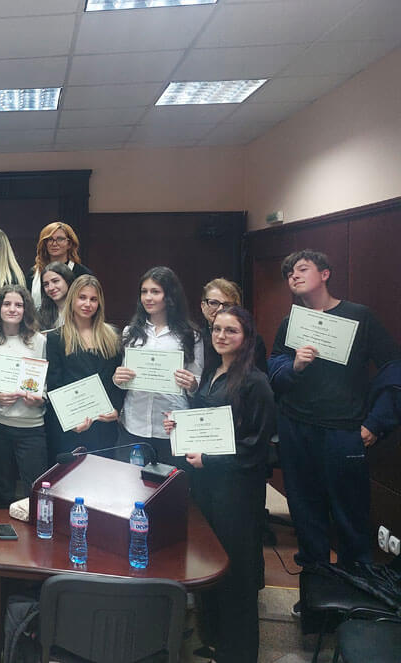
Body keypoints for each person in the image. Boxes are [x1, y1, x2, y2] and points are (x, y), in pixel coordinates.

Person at [269, 250, 400, 571]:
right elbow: (274, 367)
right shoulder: (291, 322)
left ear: (325, 274)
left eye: (302, 269)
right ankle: (316, 585)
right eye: (289, 273)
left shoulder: (359, 316)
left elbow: (393, 367)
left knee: (350, 515)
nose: (294, 276)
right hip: (296, 427)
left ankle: (354, 588)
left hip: (343, 432)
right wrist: (294, 366)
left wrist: (377, 422)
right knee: (304, 511)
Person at [164, 306, 275, 663]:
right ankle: (213, 640)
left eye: (231, 330)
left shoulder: (256, 382)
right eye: (216, 329)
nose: (222, 336)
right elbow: (203, 424)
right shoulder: (212, 373)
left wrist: (210, 459)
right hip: (207, 488)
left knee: (236, 571)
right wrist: (178, 426)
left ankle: (237, 653)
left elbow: (257, 448)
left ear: (247, 337)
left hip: (237, 493)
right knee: (208, 561)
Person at [112, 266, 203, 463]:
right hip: (134, 423)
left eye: (155, 292)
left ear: (170, 295)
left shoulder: (190, 335)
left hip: (171, 424)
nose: (148, 298)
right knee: (132, 479)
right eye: (144, 292)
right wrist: (118, 379)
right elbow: (124, 379)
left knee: (170, 480)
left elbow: (197, 382)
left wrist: (192, 384)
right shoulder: (130, 332)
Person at [0, 285, 47, 509]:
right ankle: (3, 528)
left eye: (19, 305)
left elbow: (47, 381)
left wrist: (40, 397)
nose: (12, 309)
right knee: (3, 489)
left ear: (26, 309)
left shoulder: (39, 340)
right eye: (7, 304)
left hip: (31, 425)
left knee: (35, 487)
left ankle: (33, 529)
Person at [46, 275, 124, 463]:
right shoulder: (56, 338)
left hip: (105, 425)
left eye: (93, 299)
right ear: (72, 299)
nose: (87, 304)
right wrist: (70, 420)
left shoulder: (113, 335)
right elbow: (54, 385)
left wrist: (117, 409)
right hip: (73, 427)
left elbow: (118, 380)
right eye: (82, 297)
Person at [200, 278, 266, 373]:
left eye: (227, 305)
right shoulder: (195, 338)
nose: (220, 309)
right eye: (213, 303)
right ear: (203, 306)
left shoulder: (253, 340)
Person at [27, 222, 92, 307]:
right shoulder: (33, 273)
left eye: (60, 239)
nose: (54, 244)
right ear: (45, 244)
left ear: (69, 244)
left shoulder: (82, 273)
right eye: (50, 239)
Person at [36, 261, 75, 331]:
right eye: (46, 284)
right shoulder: (40, 315)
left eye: (55, 281)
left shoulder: (81, 310)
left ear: (68, 280)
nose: (51, 288)